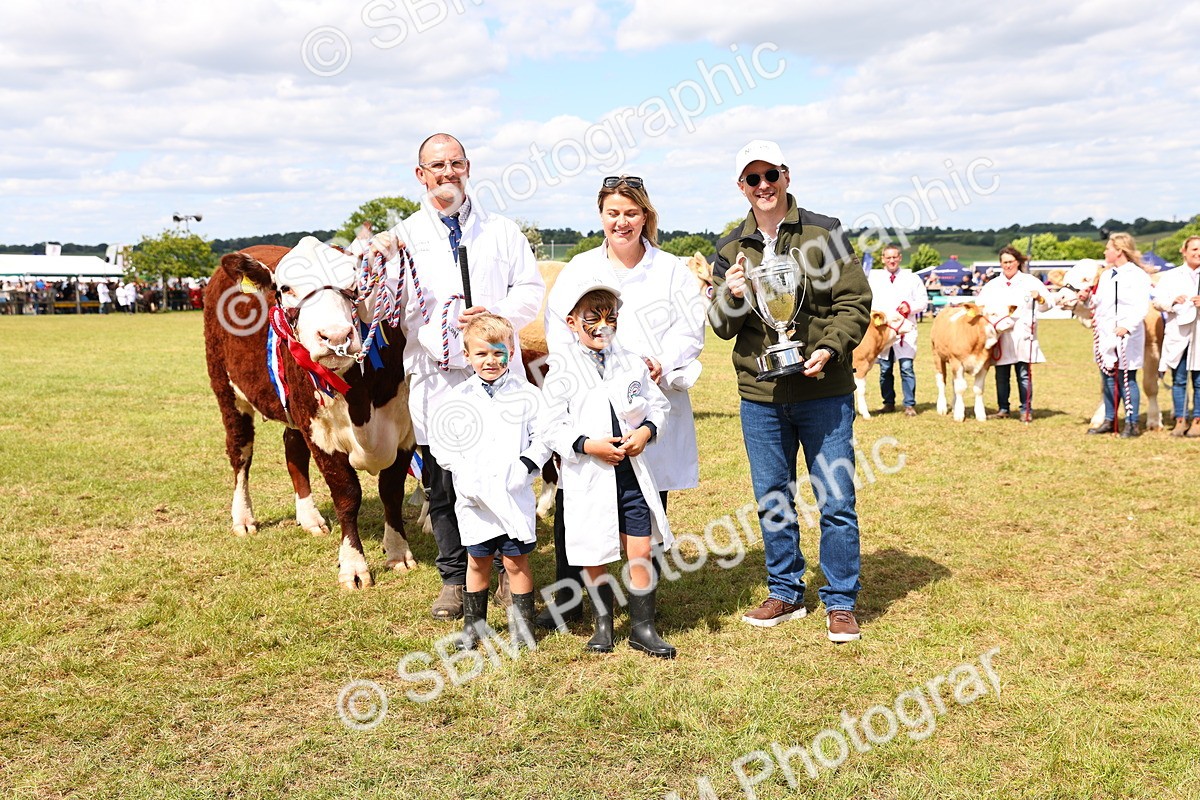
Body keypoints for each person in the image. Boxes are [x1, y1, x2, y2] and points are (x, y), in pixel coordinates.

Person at [369, 133, 545, 620]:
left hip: (497, 372)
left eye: (455, 163)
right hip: (438, 378)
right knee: (444, 480)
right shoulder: (403, 237)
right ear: (420, 174)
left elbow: (530, 289)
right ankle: (454, 577)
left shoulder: (502, 231)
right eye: (436, 166)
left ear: (468, 166)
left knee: (508, 471)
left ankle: (513, 575)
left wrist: (497, 316)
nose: (447, 173)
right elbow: (387, 306)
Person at [707, 139, 871, 643]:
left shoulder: (826, 232)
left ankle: (840, 600)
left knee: (836, 498)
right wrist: (733, 297)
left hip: (823, 389)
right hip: (761, 394)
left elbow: (854, 303)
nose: (763, 186)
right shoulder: (729, 247)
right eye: (752, 179)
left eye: (770, 175)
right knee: (772, 499)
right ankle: (785, 590)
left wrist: (829, 349)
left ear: (786, 175)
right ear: (741, 186)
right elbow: (721, 326)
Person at [537, 175, 705, 630]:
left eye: (631, 213)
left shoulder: (671, 270)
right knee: (579, 506)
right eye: (613, 213)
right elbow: (558, 327)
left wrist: (662, 363)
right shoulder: (579, 268)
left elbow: (691, 329)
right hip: (588, 402)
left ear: (645, 216)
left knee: (644, 502)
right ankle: (570, 603)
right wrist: (575, 361)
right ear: (601, 217)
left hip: (644, 399)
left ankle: (640, 605)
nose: (622, 221)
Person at [542, 275, 677, 658]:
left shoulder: (631, 362)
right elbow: (551, 426)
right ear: (571, 323)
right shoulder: (561, 369)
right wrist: (588, 445)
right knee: (594, 552)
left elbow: (659, 406)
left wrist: (647, 432)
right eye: (592, 318)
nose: (603, 326)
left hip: (631, 474)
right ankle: (604, 624)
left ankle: (642, 627)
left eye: (610, 317)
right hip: (589, 474)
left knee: (639, 549)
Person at [427, 313, 554, 650]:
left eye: (499, 352)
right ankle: (474, 628)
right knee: (477, 560)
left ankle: (523, 629)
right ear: (466, 356)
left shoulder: (528, 396)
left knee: (516, 560)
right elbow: (443, 445)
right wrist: (464, 475)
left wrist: (526, 466)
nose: (490, 360)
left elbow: (543, 438)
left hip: (514, 495)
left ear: (511, 353)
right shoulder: (457, 399)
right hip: (475, 497)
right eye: (481, 354)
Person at [1087, 232, 1152, 438]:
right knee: (1107, 377)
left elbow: (1142, 305)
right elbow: (1099, 303)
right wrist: (1086, 298)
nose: (1105, 251)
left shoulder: (1138, 275)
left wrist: (1127, 325)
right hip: (1106, 333)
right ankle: (1110, 418)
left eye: (1108, 248)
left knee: (1127, 378)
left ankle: (1132, 423)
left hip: (1126, 335)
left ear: (1119, 251)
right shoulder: (1107, 275)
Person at [977, 247, 1050, 423]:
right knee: (1001, 374)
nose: (1008, 265)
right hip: (1001, 335)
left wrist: (1039, 298)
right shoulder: (993, 285)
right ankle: (1003, 408)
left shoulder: (1030, 281)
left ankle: (1026, 409)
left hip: (1023, 334)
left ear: (1017, 262)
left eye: (1011, 261)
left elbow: (1048, 303)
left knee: (1023, 374)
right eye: (1004, 262)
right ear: (1000, 264)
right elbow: (980, 305)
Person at [867, 244, 927, 416]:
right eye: (888, 257)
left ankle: (909, 404)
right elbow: (869, 301)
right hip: (884, 331)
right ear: (883, 259)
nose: (891, 260)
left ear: (900, 258)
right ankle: (888, 402)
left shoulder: (912, 278)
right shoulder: (874, 279)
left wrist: (910, 307)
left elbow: (923, 301)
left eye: (895, 257)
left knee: (906, 366)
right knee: (885, 369)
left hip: (905, 330)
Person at [1152, 235, 1200, 437]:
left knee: (1199, 380)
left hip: (1199, 334)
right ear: (1184, 251)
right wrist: (1173, 301)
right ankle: (1180, 419)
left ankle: (1197, 420)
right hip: (1178, 334)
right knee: (1179, 379)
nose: (1198, 253)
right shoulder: (1170, 276)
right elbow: (1157, 301)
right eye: (1194, 249)